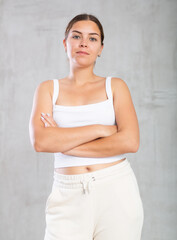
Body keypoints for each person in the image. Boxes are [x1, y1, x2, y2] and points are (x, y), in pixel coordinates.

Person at [29, 13, 144, 240]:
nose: (83, 43)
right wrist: (100, 129)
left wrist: (63, 142)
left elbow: (130, 141)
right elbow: (41, 142)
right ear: (65, 43)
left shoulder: (116, 86)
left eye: (92, 38)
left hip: (117, 190)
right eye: (76, 36)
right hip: (67, 194)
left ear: (100, 48)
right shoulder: (48, 89)